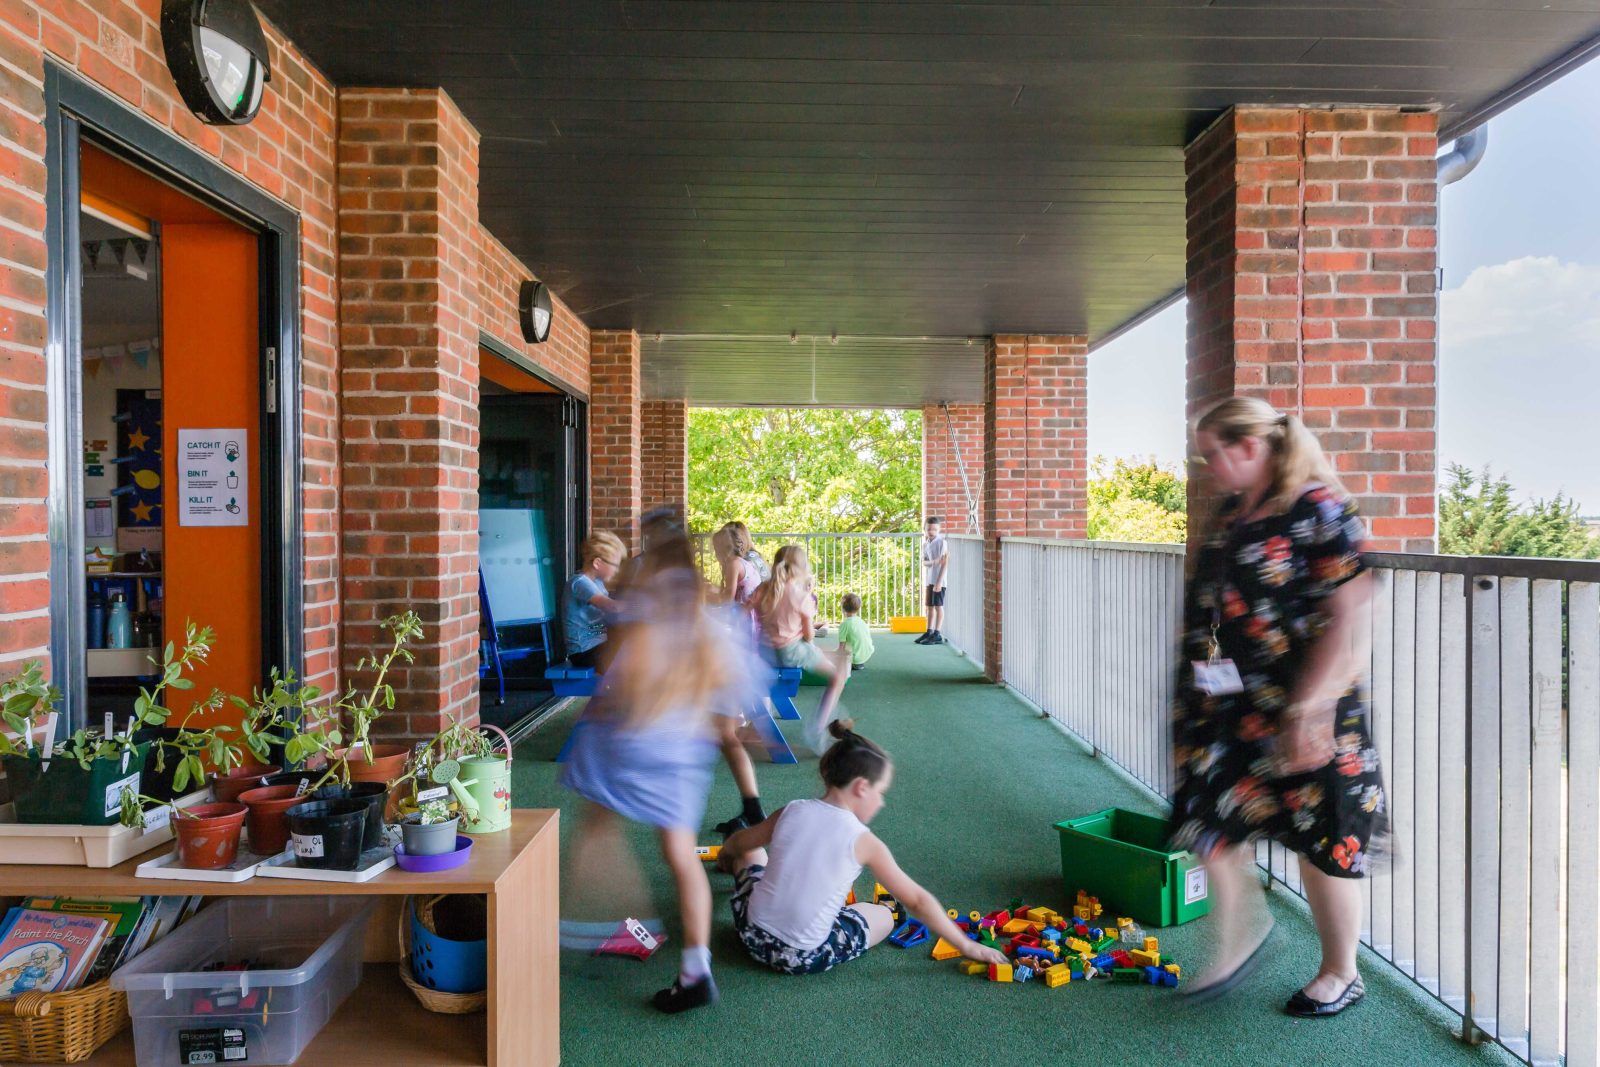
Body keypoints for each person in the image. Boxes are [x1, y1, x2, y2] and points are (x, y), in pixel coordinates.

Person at [1167, 396, 1385, 1017]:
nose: (1208, 467)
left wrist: (1309, 708)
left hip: (1310, 705)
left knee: (1324, 840)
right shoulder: (1236, 510)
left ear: (1252, 446)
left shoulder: (1319, 508)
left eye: (1214, 454)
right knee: (1209, 816)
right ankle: (1241, 936)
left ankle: (1342, 972)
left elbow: (1353, 618)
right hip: (1232, 702)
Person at [559, 527, 769, 1014]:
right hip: (683, 757)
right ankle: (695, 970)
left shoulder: (648, 624)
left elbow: (623, 686)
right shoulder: (708, 627)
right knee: (679, 853)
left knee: (595, 824)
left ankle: (592, 922)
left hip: (635, 748)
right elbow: (734, 691)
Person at [718, 719, 1007, 975]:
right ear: (861, 787)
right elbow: (917, 901)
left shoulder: (792, 810)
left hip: (750, 932)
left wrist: (726, 854)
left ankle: (729, 864)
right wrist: (968, 946)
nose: (881, 802)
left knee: (749, 850)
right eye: (880, 793)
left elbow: (742, 842)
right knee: (883, 915)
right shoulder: (865, 842)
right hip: (799, 956)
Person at [751, 544, 849, 754]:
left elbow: (755, 616)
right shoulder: (800, 595)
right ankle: (819, 725)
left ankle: (760, 722)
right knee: (838, 676)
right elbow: (808, 635)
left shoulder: (762, 589)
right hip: (790, 651)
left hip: (765, 652)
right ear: (802, 568)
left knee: (813, 653)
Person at [562, 530, 625, 669]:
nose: (617, 570)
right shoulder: (579, 582)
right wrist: (640, 605)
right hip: (584, 653)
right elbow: (611, 607)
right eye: (615, 565)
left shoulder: (597, 583)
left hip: (599, 647)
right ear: (597, 563)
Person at [916, 516, 948, 645]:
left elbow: (945, 562)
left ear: (939, 529)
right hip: (930, 579)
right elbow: (924, 562)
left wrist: (939, 582)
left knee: (938, 606)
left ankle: (937, 633)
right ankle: (929, 631)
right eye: (929, 529)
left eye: (934, 529)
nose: (931, 531)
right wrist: (933, 562)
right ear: (925, 529)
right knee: (929, 606)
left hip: (939, 580)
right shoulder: (926, 544)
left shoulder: (942, 542)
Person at [712, 526, 761, 606]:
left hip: (744, 615)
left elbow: (728, 599)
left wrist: (707, 596)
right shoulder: (744, 562)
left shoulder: (734, 565)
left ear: (721, 549)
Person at [835, 593, 874, 670]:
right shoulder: (861, 621)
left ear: (842, 609)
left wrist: (836, 656)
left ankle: (854, 663)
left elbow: (842, 645)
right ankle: (859, 662)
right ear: (858, 608)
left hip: (855, 658)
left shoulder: (845, 624)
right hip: (867, 653)